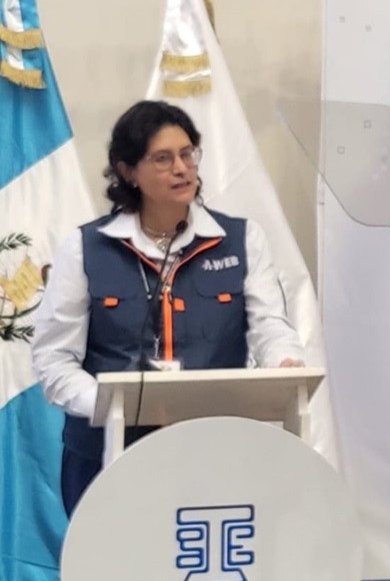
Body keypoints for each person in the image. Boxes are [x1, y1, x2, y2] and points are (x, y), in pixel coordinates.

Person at [32, 100, 305, 516]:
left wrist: (285, 361)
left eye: (187, 154)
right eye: (163, 158)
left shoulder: (241, 240)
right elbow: (54, 360)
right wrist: (113, 404)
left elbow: (270, 325)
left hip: (213, 451)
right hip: (106, 455)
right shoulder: (85, 249)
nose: (182, 168)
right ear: (128, 171)